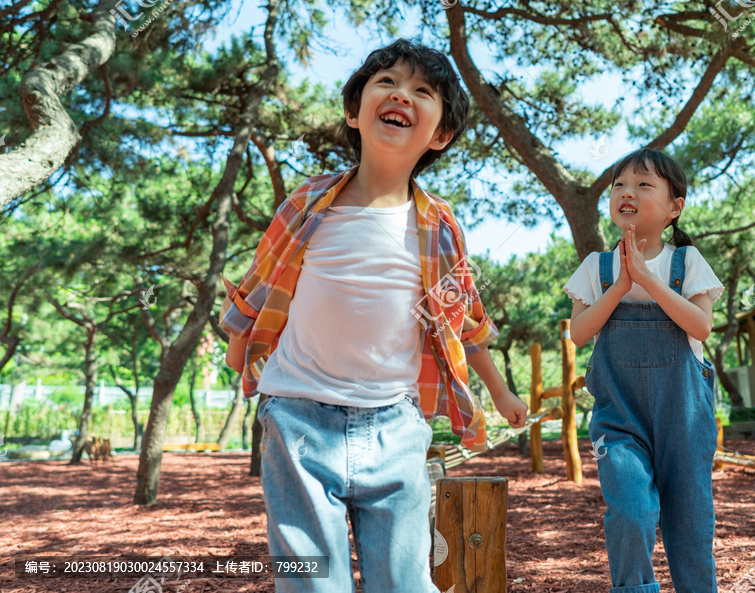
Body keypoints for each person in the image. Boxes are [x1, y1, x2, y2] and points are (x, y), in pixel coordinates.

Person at [219, 39, 528, 593]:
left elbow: (461, 324)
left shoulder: (438, 228)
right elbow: (261, 285)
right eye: (386, 82)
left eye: (422, 91)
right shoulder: (309, 204)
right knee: (312, 580)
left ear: (440, 135)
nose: (400, 94)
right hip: (297, 420)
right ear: (353, 111)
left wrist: (500, 394)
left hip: (394, 427)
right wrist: (238, 351)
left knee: (405, 583)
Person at [565, 148, 724, 593]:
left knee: (690, 521)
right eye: (619, 185)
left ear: (675, 207)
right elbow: (579, 333)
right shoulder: (596, 267)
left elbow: (701, 325)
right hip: (618, 422)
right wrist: (619, 286)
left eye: (642, 184)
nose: (626, 192)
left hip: (685, 421)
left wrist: (649, 281)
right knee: (630, 512)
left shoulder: (686, 263)